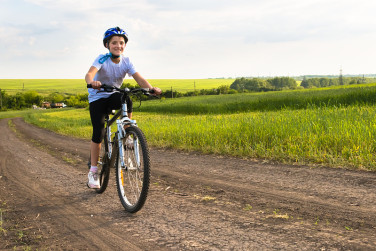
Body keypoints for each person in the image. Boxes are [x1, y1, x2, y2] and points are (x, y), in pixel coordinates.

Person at [85, 26, 161, 189]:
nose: (118, 46)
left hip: (113, 95)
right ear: (107, 45)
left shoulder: (126, 61)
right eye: (114, 43)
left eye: (121, 43)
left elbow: (138, 78)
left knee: (126, 98)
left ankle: (127, 133)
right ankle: (93, 171)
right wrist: (93, 82)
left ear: (124, 45)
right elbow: (89, 74)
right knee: (98, 131)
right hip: (98, 97)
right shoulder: (102, 58)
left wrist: (151, 89)